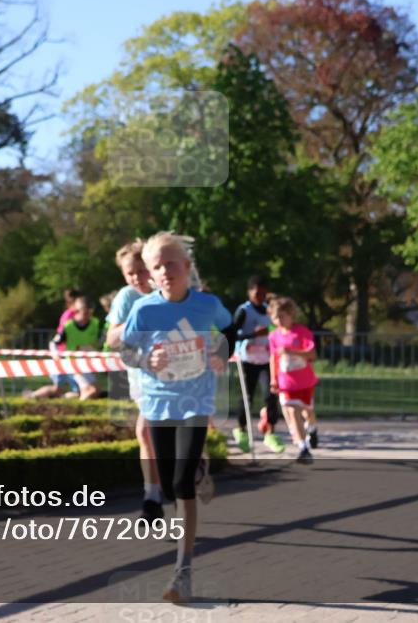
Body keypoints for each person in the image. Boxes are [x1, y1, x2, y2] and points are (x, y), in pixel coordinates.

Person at [121, 232, 233, 604]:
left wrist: (221, 348)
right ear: (151, 275)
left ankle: (182, 573)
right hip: (158, 402)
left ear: (186, 267)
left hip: (195, 400)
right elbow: (126, 350)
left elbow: (230, 329)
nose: (165, 271)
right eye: (157, 266)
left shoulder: (207, 305)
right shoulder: (145, 309)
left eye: (171, 263)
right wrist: (144, 360)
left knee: (181, 482)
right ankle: (199, 472)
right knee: (169, 486)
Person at [103, 240, 160, 524]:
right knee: (146, 434)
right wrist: (134, 323)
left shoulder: (167, 291)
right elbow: (112, 338)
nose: (137, 277)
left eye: (141, 270)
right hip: (140, 376)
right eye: (130, 273)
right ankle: (153, 497)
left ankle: (158, 494)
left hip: (173, 377)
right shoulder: (126, 298)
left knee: (150, 432)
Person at [231, 275, 284, 454]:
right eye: (257, 293)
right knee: (247, 396)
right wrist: (253, 335)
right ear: (250, 292)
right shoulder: (243, 311)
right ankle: (242, 429)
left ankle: (271, 431)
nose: (260, 296)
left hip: (266, 360)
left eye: (263, 293)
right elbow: (233, 334)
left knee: (271, 395)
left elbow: (274, 329)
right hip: (247, 360)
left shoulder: (268, 311)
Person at [268, 296, 319, 464]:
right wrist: (273, 379)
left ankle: (312, 429)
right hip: (286, 383)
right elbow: (273, 359)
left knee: (308, 413)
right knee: (291, 411)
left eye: (282, 316)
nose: (279, 320)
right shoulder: (274, 336)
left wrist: (293, 351)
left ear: (291, 314)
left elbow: (312, 355)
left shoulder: (302, 332)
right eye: (275, 317)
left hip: (304, 382)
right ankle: (303, 448)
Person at [26, 295, 102, 400]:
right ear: (77, 311)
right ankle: (33, 396)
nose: (86, 315)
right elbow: (54, 343)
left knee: (81, 392)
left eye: (89, 312)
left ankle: (64, 403)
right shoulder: (69, 326)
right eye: (83, 312)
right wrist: (57, 357)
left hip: (87, 364)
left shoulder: (95, 323)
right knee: (86, 390)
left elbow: (99, 342)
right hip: (73, 364)